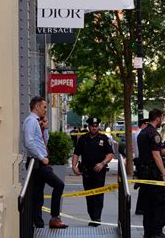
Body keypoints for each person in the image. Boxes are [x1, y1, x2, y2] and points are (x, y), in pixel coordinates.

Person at [23, 96, 67, 229]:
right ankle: (54, 218)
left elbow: (43, 141)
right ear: (36, 107)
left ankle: (39, 224)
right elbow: (28, 142)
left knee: (38, 196)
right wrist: (42, 157)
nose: (45, 110)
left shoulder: (37, 122)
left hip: (39, 163)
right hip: (37, 163)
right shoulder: (31, 121)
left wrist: (45, 128)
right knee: (59, 185)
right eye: (44, 107)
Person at [137, 109, 165, 238]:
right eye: (162, 118)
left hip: (144, 172)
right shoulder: (154, 133)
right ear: (158, 119)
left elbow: (156, 150)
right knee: (160, 202)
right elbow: (156, 155)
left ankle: (148, 233)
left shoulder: (143, 132)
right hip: (153, 173)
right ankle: (157, 232)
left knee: (148, 204)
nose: (162, 121)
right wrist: (164, 174)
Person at [72, 117, 114, 226]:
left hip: (99, 171)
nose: (94, 128)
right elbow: (76, 153)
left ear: (98, 126)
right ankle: (92, 216)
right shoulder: (83, 139)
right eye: (92, 126)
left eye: (96, 126)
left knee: (98, 195)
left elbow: (110, 154)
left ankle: (97, 218)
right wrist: (74, 166)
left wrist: (102, 163)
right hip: (86, 171)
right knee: (89, 195)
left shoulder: (104, 139)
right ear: (89, 127)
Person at [133, 118, 149, 215]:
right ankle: (140, 208)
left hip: (139, 160)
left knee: (143, 186)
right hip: (142, 161)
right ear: (143, 124)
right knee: (144, 186)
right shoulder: (141, 134)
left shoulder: (137, 133)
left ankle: (141, 207)